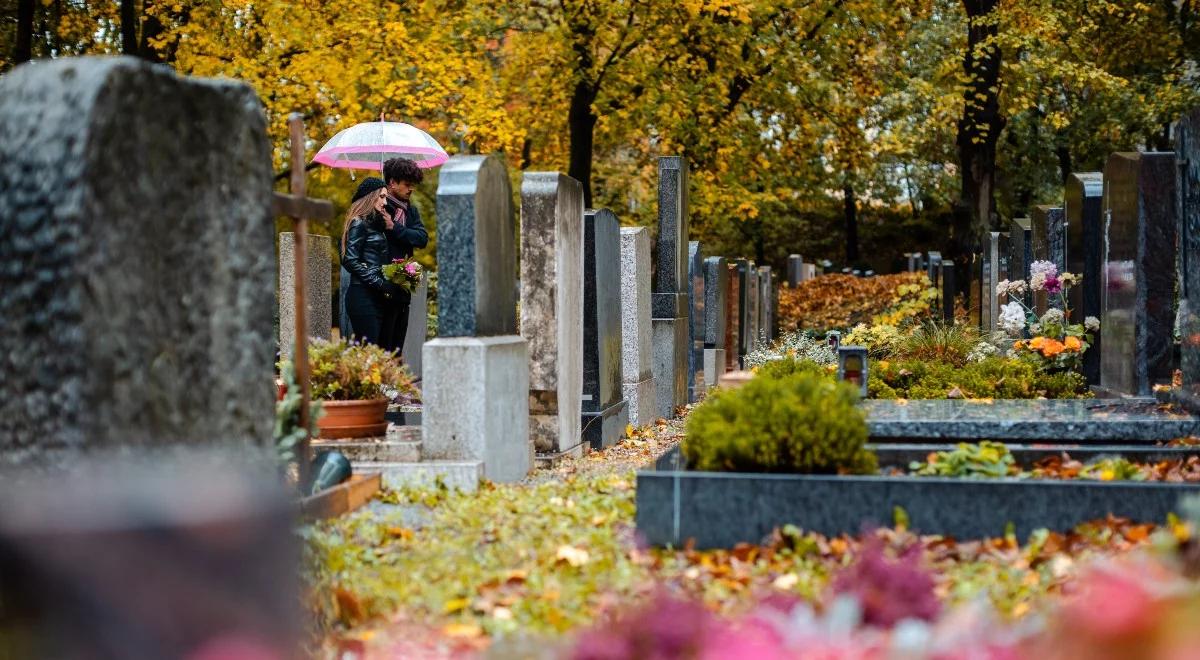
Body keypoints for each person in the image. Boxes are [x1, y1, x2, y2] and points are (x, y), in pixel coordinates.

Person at [340, 177, 404, 347]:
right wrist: (379, 283)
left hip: (377, 296)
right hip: (362, 296)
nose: (385, 201)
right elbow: (349, 260)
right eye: (382, 196)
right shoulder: (358, 222)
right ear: (371, 196)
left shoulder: (375, 225)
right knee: (369, 353)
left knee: (380, 355)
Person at [378, 157, 429, 354]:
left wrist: (394, 227)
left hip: (403, 285)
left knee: (398, 344)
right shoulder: (378, 206)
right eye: (407, 184)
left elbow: (421, 238)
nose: (411, 189)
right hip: (380, 284)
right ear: (392, 183)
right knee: (383, 344)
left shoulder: (410, 211)